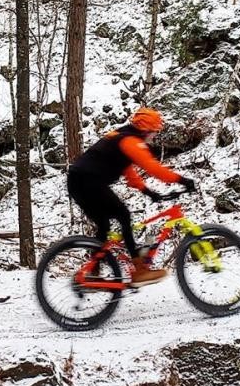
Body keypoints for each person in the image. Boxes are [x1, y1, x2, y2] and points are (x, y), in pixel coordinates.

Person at [67, 107, 196, 285]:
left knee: (104, 223)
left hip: (79, 181)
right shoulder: (131, 141)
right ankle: (138, 270)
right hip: (87, 182)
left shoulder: (123, 137)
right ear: (146, 129)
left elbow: (128, 169)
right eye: (154, 131)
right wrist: (182, 180)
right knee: (123, 215)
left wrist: (147, 191)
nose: (154, 136)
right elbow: (153, 168)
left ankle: (92, 270)